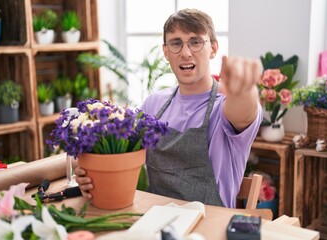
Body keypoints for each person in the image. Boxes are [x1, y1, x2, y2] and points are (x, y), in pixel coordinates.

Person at [75, 8, 262, 208]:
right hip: (155, 221)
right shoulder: (153, 104)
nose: (186, 53)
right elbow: (119, 154)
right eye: (176, 43)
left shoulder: (223, 105)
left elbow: (243, 115)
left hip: (209, 229)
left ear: (213, 49)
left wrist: (244, 90)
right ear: (166, 51)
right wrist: (90, 172)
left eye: (196, 42)